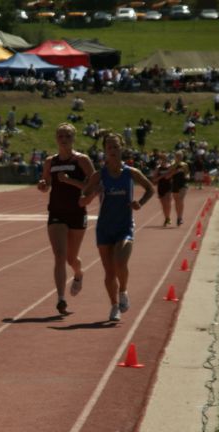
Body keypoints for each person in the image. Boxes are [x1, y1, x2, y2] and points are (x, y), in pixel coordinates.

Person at [80, 132, 155, 322]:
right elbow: (82, 201)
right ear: (104, 151)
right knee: (109, 272)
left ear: (121, 148)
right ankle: (114, 307)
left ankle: (123, 291)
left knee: (120, 262)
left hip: (124, 226)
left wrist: (140, 203)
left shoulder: (131, 172)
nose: (112, 150)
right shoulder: (99, 175)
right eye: (109, 147)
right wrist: (92, 194)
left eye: (115, 147)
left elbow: (150, 188)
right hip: (104, 228)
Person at [37, 123, 95, 315]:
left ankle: (78, 273)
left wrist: (70, 181)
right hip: (56, 212)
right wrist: (43, 185)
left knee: (71, 258)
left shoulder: (82, 160)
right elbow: (47, 184)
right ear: (56, 138)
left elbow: (93, 185)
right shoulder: (50, 162)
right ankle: (61, 299)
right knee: (59, 255)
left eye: (68, 136)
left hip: (77, 212)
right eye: (61, 136)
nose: (64, 139)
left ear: (73, 138)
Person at [152, 151, 174, 227]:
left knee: (168, 202)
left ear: (166, 159)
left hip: (168, 186)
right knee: (164, 204)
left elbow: (170, 176)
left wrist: (168, 174)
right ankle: (166, 218)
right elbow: (154, 180)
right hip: (161, 187)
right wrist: (162, 176)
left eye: (164, 159)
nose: (162, 160)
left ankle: (168, 217)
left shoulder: (170, 166)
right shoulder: (158, 168)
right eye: (161, 159)